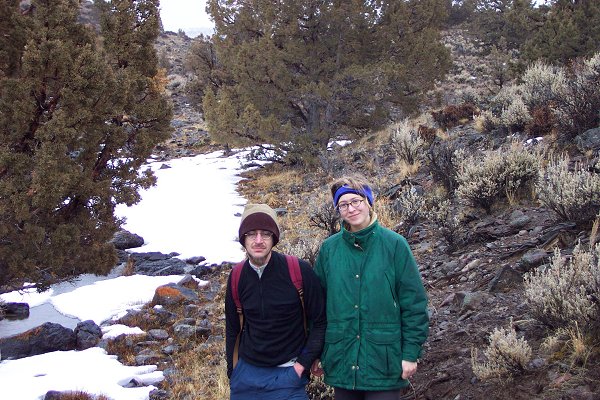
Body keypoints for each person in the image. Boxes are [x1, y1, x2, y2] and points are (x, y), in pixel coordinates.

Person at [313, 176, 429, 400]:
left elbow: (414, 303)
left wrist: (411, 352)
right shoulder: (329, 250)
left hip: (384, 361)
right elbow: (318, 307)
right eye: (343, 204)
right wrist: (316, 352)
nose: (351, 208)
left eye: (356, 201)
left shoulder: (395, 245)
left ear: (368, 202)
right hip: (342, 359)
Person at [225, 203, 327, 400]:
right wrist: (233, 372)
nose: (258, 240)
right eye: (251, 234)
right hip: (246, 378)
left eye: (265, 233)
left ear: (274, 238)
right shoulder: (237, 276)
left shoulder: (297, 270)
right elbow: (232, 329)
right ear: (243, 239)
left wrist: (301, 366)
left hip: (288, 376)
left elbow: (320, 321)